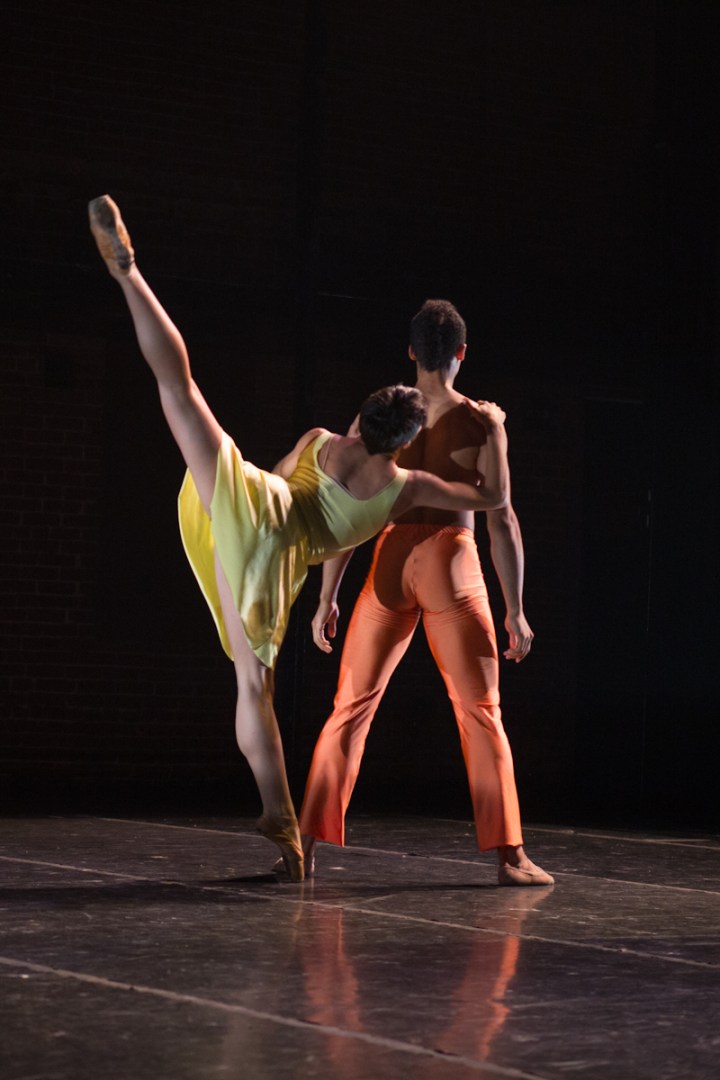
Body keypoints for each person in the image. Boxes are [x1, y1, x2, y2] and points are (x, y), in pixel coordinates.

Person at [88, 199, 511, 883]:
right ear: (400, 440)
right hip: (271, 547)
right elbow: (488, 501)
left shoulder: (322, 438)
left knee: (180, 388)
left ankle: (131, 277)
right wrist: (491, 427)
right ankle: (281, 820)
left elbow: (283, 493)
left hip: (245, 495)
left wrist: (312, 587)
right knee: (253, 687)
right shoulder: (403, 487)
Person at [298, 299, 554, 886]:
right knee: (479, 712)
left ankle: (304, 845)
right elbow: (502, 518)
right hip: (451, 559)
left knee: (350, 709)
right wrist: (515, 609)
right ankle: (510, 857)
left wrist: (326, 597)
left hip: (388, 559)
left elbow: (349, 509)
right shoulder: (481, 421)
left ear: (411, 350)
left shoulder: (378, 416)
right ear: (462, 353)